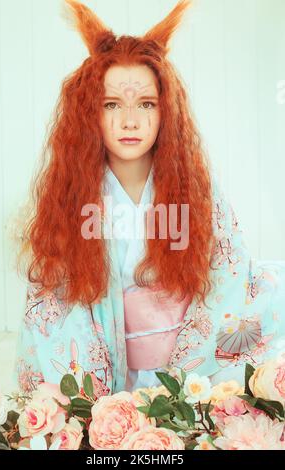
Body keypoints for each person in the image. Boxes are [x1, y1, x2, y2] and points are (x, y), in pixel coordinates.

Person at [14, 0, 285, 396]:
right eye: (111, 105)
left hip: (193, 374)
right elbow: (52, 308)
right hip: (106, 372)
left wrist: (179, 383)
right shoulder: (70, 199)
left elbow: (230, 279)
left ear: (165, 112)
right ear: (88, 112)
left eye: (146, 104)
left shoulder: (197, 191)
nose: (130, 121)